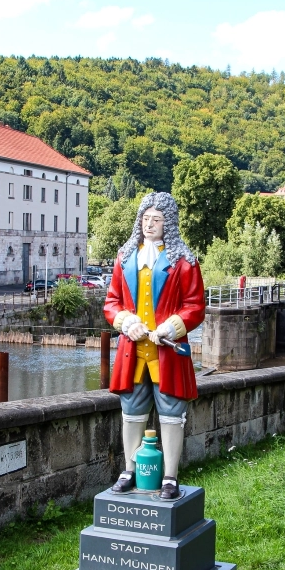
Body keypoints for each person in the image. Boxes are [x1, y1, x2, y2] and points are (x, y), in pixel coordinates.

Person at [104, 192, 205, 499]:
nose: (149, 224)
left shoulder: (186, 263)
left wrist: (172, 326)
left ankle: (171, 477)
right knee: (131, 412)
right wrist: (125, 322)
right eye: (145, 218)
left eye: (156, 219)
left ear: (168, 223)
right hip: (132, 353)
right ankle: (129, 469)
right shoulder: (125, 259)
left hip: (167, 353)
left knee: (172, 414)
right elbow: (111, 302)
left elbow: (195, 306)